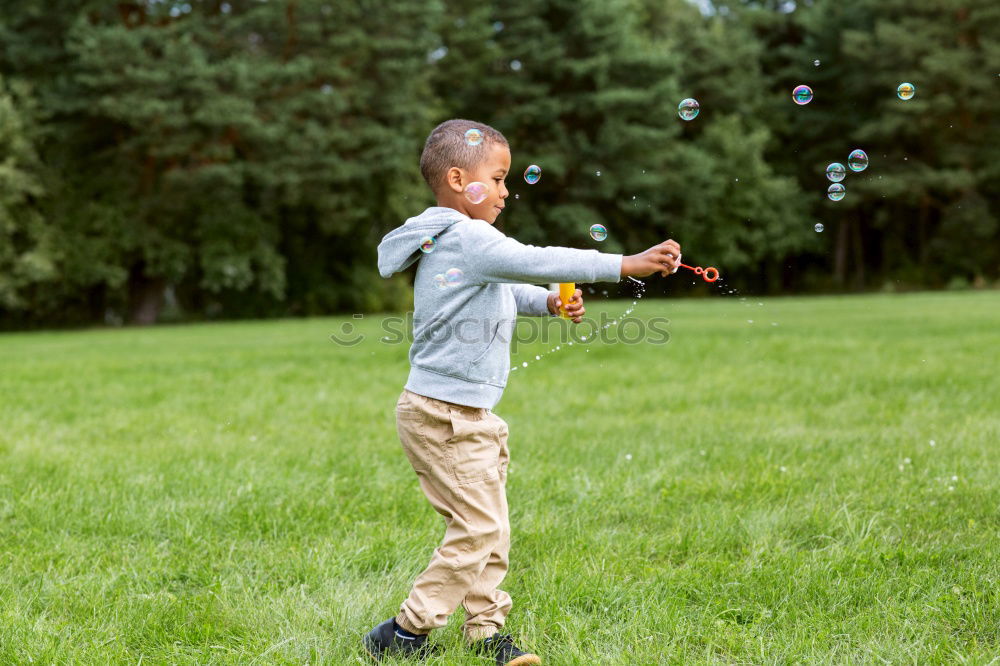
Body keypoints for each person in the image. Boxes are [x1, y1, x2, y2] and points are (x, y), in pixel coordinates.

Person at [365, 119, 681, 665]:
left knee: (490, 528)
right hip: (445, 415)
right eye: (500, 176)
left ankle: (486, 632)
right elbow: (534, 260)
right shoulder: (466, 235)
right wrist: (624, 264)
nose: (508, 190)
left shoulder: (457, 241)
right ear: (462, 180)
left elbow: (506, 287)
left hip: (463, 413)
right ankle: (404, 631)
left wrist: (550, 304)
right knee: (479, 526)